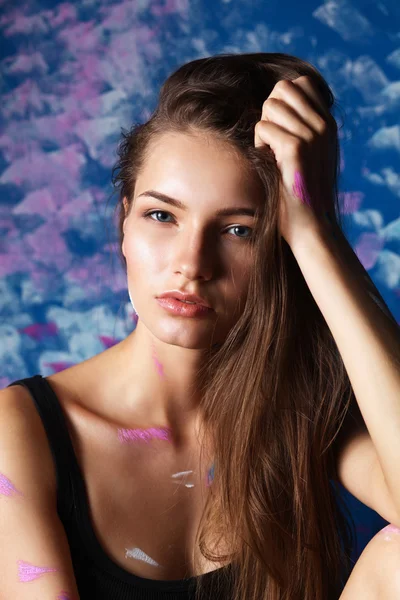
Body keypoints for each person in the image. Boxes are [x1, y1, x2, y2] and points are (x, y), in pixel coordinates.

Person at [1, 52, 400, 600]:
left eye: (238, 229)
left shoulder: (303, 405)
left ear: (277, 244)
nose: (192, 263)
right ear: (124, 224)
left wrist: (317, 230)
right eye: (161, 216)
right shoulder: (23, 430)